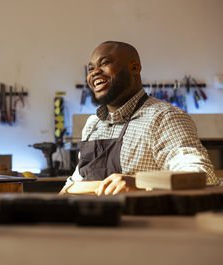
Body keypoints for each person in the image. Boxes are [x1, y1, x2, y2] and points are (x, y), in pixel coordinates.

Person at [61, 41, 219, 195]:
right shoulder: (93, 124)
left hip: (140, 219)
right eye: (90, 68)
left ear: (134, 67)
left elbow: (201, 175)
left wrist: (141, 185)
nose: (95, 72)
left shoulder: (164, 117)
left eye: (104, 63)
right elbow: (75, 182)